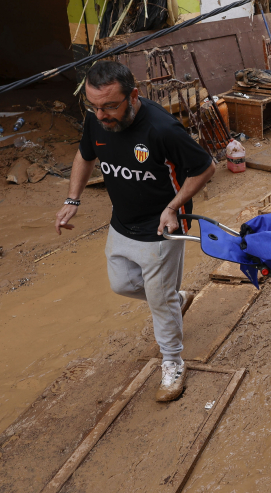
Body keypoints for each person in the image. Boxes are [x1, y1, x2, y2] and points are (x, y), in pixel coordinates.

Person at [54, 62, 215, 401]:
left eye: (110, 105)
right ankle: (175, 298)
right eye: (93, 106)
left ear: (134, 96)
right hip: (122, 223)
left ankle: (173, 363)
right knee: (122, 284)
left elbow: (205, 167)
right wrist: (73, 199)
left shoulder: (162, 129)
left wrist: (173, 208)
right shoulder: (96, 120)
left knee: (158, 300)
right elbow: (85, 155)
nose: (101, 114)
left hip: (162, 228)